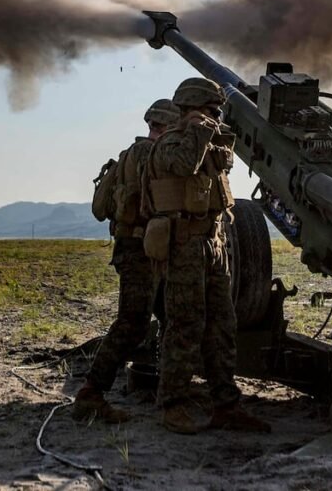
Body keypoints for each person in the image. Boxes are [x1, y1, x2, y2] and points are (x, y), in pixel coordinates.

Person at [142, 78, 271, 435]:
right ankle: (173, 405)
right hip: (184, 245)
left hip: (212, 244)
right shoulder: (170, 144)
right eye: (211, 111)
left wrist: (216, 137)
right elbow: (184, 165)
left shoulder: (205, 142)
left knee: (222, 326)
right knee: (185, 326)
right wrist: (199, 130)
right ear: (192, 109)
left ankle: (226, 405)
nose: (215, 118)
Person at [71, 99, 179, 423]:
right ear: (168, 126)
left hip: (142, 249)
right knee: (132, 322)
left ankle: (166, 387)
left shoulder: (132, 154)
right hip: (139, 249)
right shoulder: (149, 155)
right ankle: (91, 393)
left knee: (168, 316)